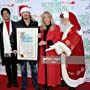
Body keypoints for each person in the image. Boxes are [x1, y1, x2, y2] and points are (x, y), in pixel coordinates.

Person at [46, 11, 86, 90]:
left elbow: (71, 41)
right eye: (62, 19)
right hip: (66, 53)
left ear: (70, 19)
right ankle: (67, 80)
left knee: (73, 68)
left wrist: (61, 47)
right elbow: (61, 39)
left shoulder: (74, 29)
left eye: (65, 19)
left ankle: (73, 84)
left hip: (74, 53)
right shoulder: (65, 28)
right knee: (65, 68)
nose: (63, 21)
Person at [11, 5, 40, 90]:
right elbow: (13, 37)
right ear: (21, 14)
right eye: (23, 13)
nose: (25, 14)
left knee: (34, 70)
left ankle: (36, 85)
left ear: (29, 13)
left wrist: (39, 36)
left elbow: (37, 37)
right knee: (23, 70)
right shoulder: (17, 24)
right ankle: (24, 86)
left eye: (27, 12)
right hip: (21, 51)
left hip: (32, 51)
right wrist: (14, 48)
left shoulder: (35, 23)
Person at [38, 11, 61, 90]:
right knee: (44, 69)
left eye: (48, 17)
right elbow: (38, 40)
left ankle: (51, 83)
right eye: (44, 17)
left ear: (51, 17)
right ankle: (45, 83)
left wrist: (46, 42)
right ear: (43, 19)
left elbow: (58, 39)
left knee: (51, 69)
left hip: (52, 51)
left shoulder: (56, 27)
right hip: (42, 51)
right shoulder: (40, 28)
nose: (46, 19)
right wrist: (38, 39)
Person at [0, 8, 18, 88]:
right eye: (3, 14)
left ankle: (15, 80)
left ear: (9, 14)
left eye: (7, 13)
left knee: (14, 65)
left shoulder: (15, 24)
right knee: (7, 66)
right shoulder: (0, 26)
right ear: (2, 16)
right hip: (5, 50)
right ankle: (10, 81)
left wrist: (16, 48)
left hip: (14, 50)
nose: (5, 15)